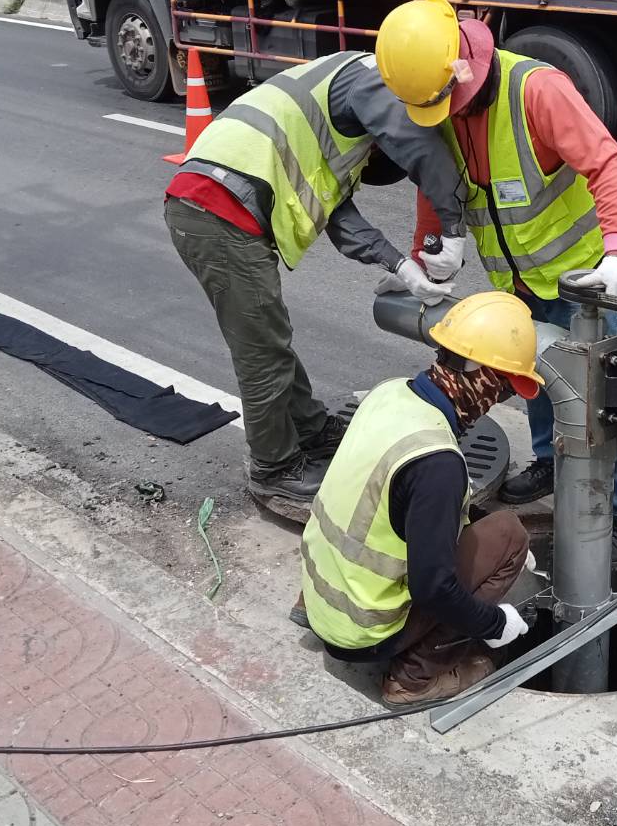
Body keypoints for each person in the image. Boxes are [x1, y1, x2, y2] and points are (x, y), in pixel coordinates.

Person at [372, 0, 617, 568]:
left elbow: (606, 161)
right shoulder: (440, 106)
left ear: (465, 66)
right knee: (536, 379)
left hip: (584, 283)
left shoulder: (537, 91)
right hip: (516, 282)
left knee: (602, 403)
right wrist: (426, 256)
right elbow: (435, 187)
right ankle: (549, 461)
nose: (447, 114)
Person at [165, 51, 467, 504]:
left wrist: (400, 266)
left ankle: (310, 428)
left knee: (269, 336)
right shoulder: (371, 81)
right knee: (261, 350)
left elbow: (337, 215)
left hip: (214, 204)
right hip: (215, 207)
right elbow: (422, 147)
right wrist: (453, 229)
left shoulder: (326, 113)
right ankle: (273, 467)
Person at [295, 291, 541, 705]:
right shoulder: (437, 464)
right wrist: (495, 624)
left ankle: (313, 606)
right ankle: (413, 678)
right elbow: (434, 590)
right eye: (502, 390)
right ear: (480, 373)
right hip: (366, 632)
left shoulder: (390, 394)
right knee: (510, 534)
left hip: (323, 600)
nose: (497, 402)